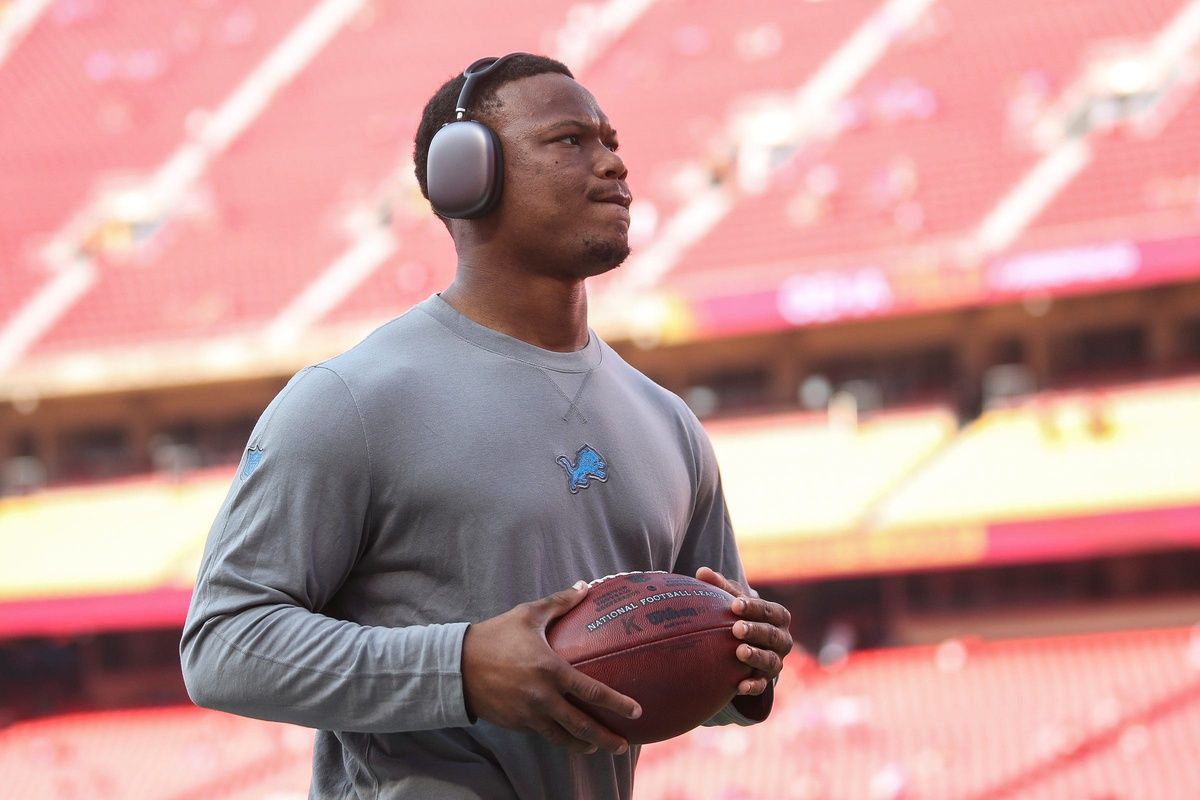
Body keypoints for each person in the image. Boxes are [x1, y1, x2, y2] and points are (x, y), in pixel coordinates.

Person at [180, 53, 793, 800]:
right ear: (465, 176)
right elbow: (222, 645)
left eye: (611, 139)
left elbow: (689, 662)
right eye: (570, 140)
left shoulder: (669, 423)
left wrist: (744, 669)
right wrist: (463, 668)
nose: (613, 164)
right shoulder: (350, 400)